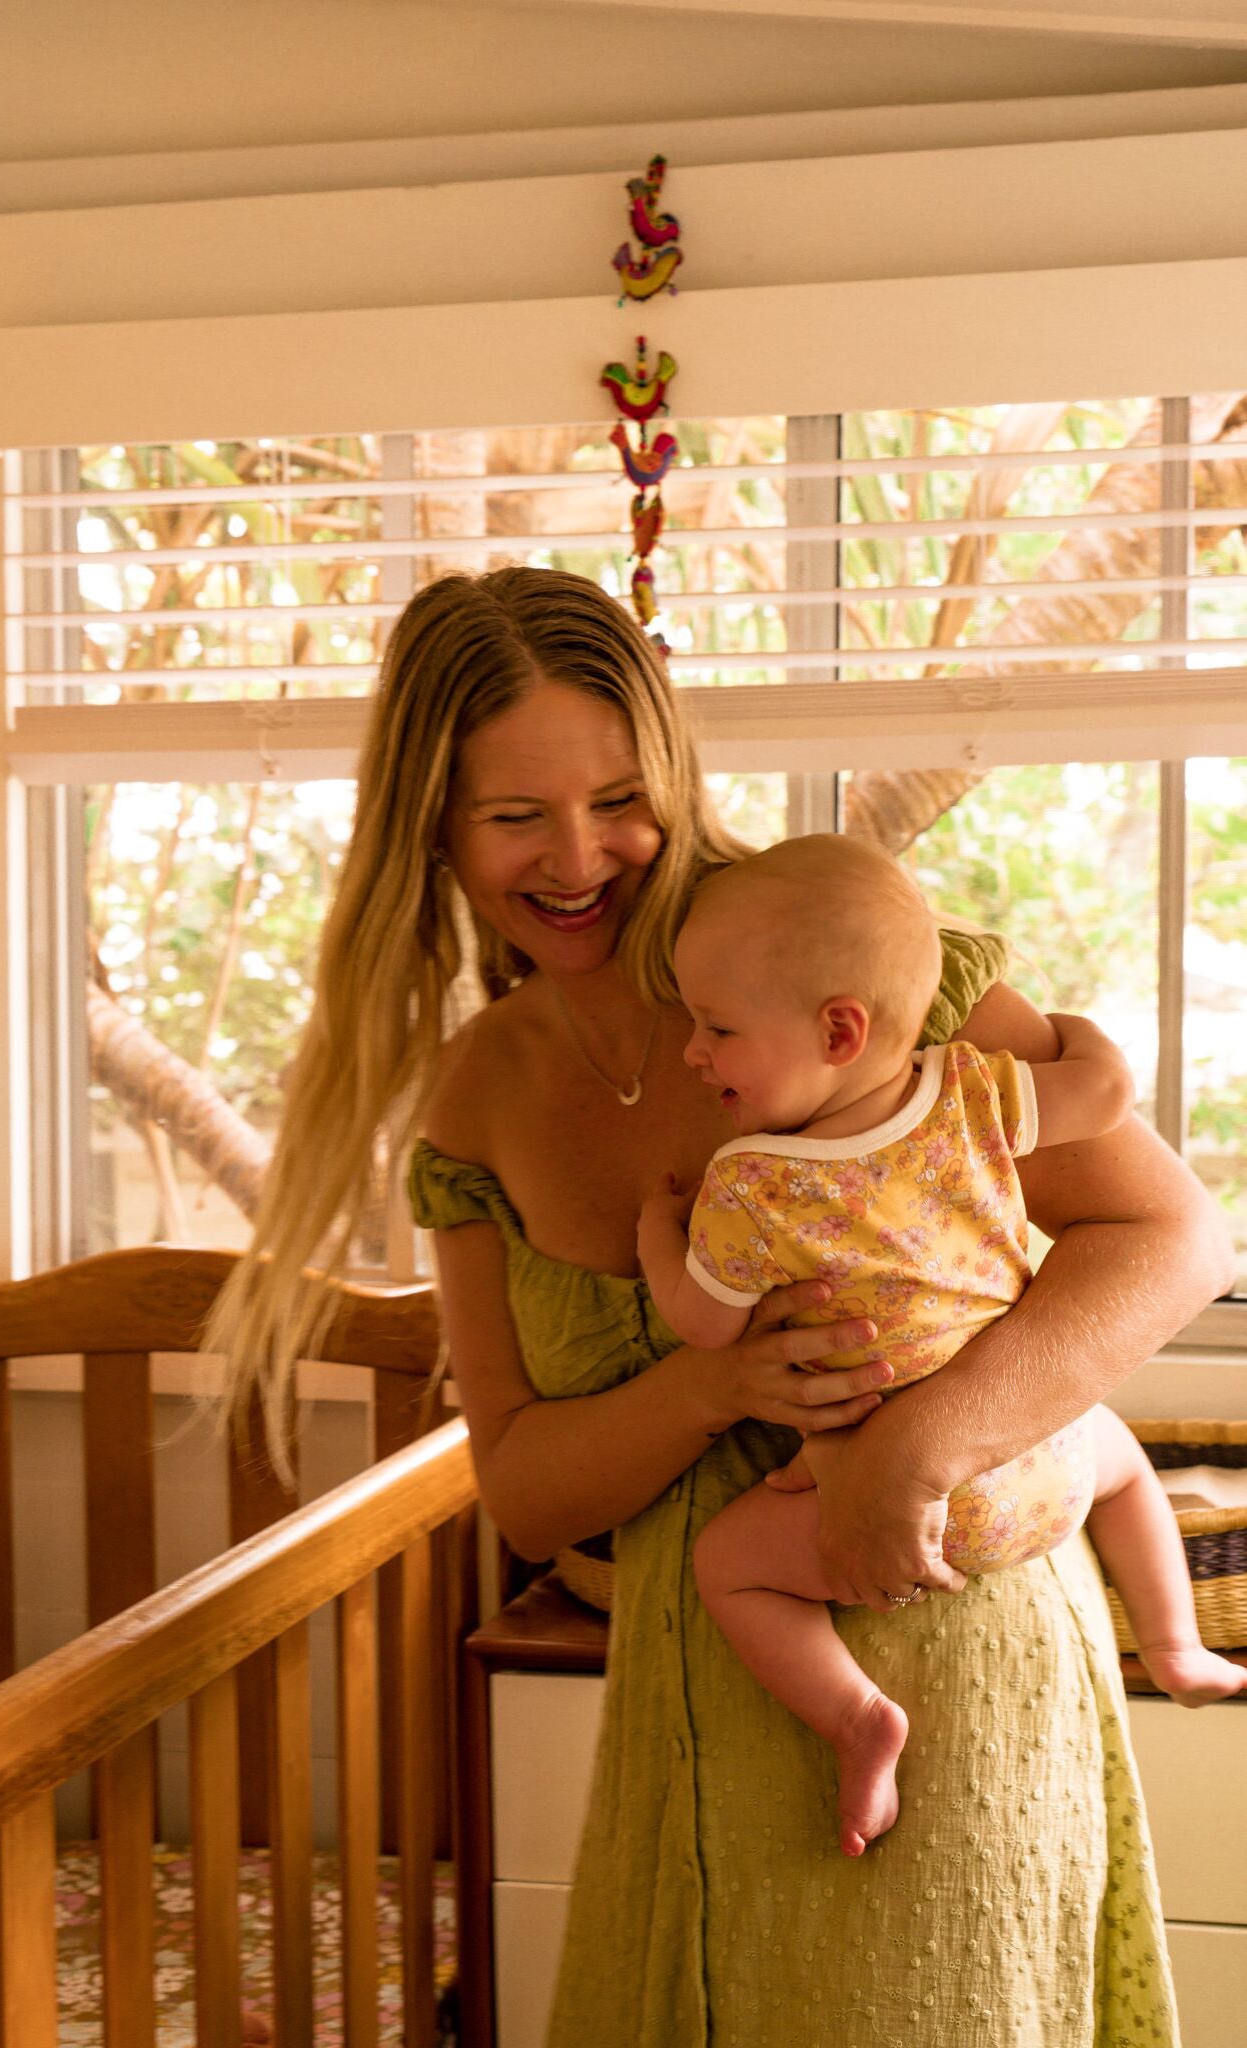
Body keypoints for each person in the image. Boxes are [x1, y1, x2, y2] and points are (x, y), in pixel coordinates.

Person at [210, 566, 1233, 2047]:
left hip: (950, 1683)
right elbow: (524, 1489)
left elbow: (1170, 1235)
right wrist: (708, 1390)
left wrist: (918, 1442)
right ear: (429, 826)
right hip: (687, 1719)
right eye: (514, 818)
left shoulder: (849, 969)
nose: (582, 860)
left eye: (619, 799)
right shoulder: (477, 1095)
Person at [637, 835, 1246, 1858]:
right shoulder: (971, 1092)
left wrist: (661, 1234)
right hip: (1038, 1459)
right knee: (1126, 1462)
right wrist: (1081, 1032)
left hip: (893, 1512)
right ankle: (1176, 1641)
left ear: (838, 1027)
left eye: (715, 1028)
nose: (694, 1052)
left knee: (727, 1565)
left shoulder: (751, 1182)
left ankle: (854, 1718)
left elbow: (703, 1324)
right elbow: (1100, 1091)